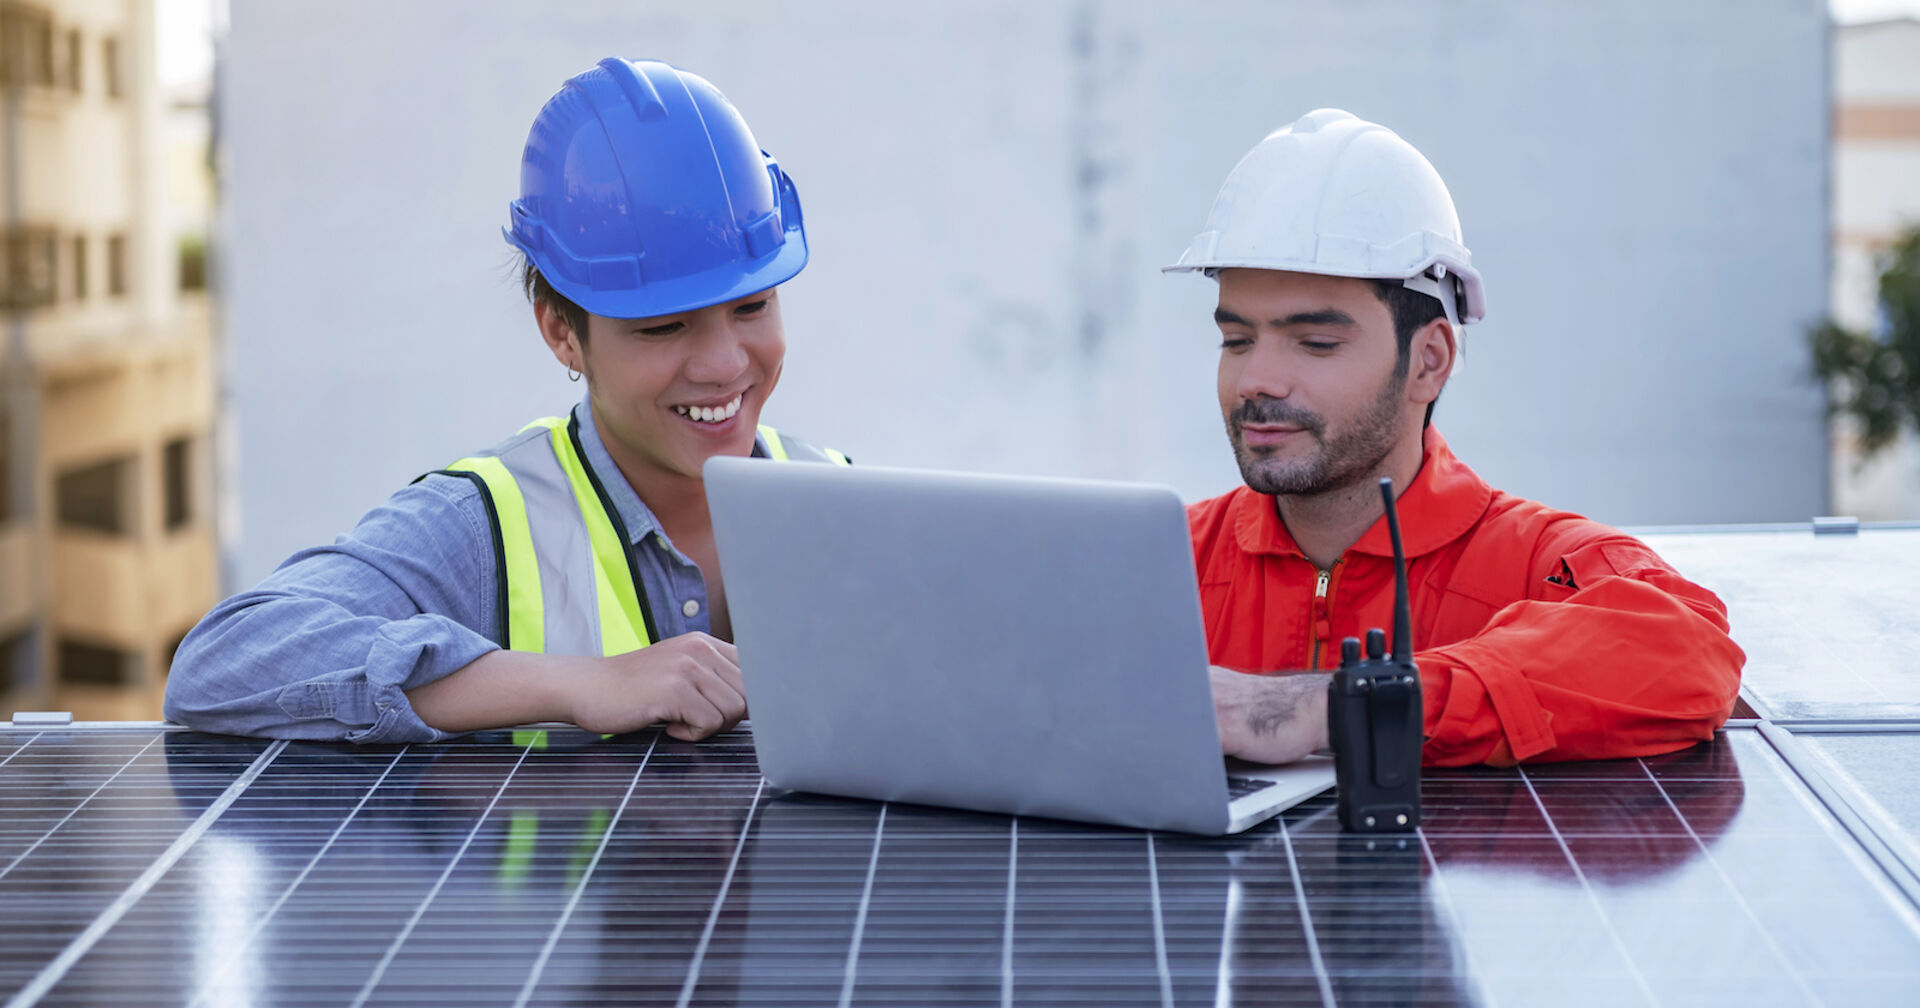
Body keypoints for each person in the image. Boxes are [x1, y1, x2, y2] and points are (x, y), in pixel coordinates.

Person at [165, 58, 845, 744]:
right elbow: (222, 663)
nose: (725, 363)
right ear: (561, 332)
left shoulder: (847, 501)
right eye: (664, 325)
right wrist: (580, 685)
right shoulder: (484, 525)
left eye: (752, 305)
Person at [1169, 109, 1744, 768]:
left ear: (1429, 360)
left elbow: (1684, 649)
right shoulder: (1162, 568)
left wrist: (1338, 705)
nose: (1257, 379)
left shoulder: (1532, 563)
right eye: (1236, 340)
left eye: (1316, 343)